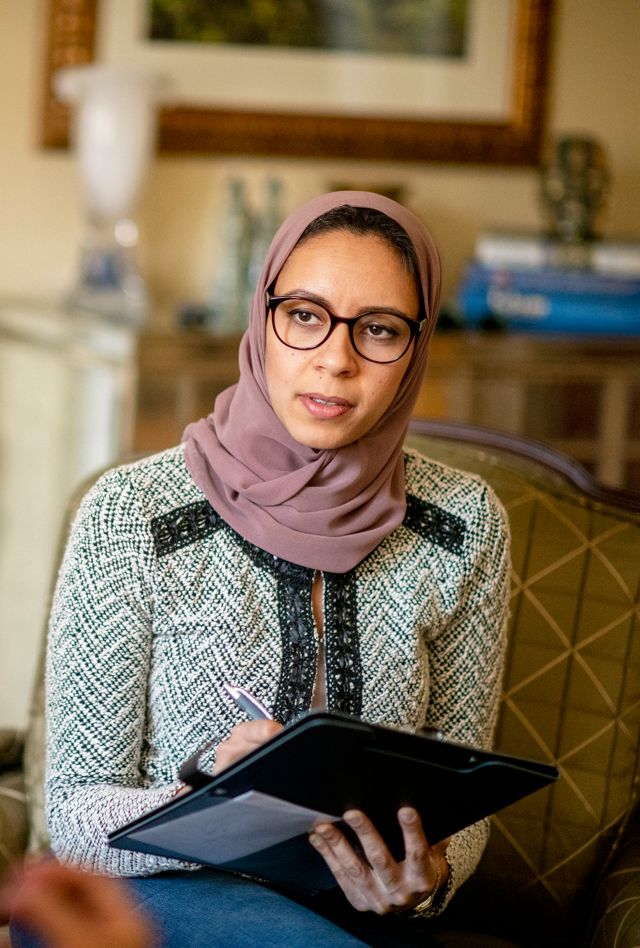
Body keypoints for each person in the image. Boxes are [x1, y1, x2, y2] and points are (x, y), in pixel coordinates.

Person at [11, 191, 510, 947]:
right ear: (263, 317)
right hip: (156, 908)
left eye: (378, 329)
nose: (335, 360)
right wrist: (210, 788)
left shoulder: (464, 527)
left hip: (367, 921)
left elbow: (465, 807)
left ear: (417, 345)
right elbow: (73, 818)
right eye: (305, 315)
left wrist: (429, 878)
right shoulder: (131, 514)